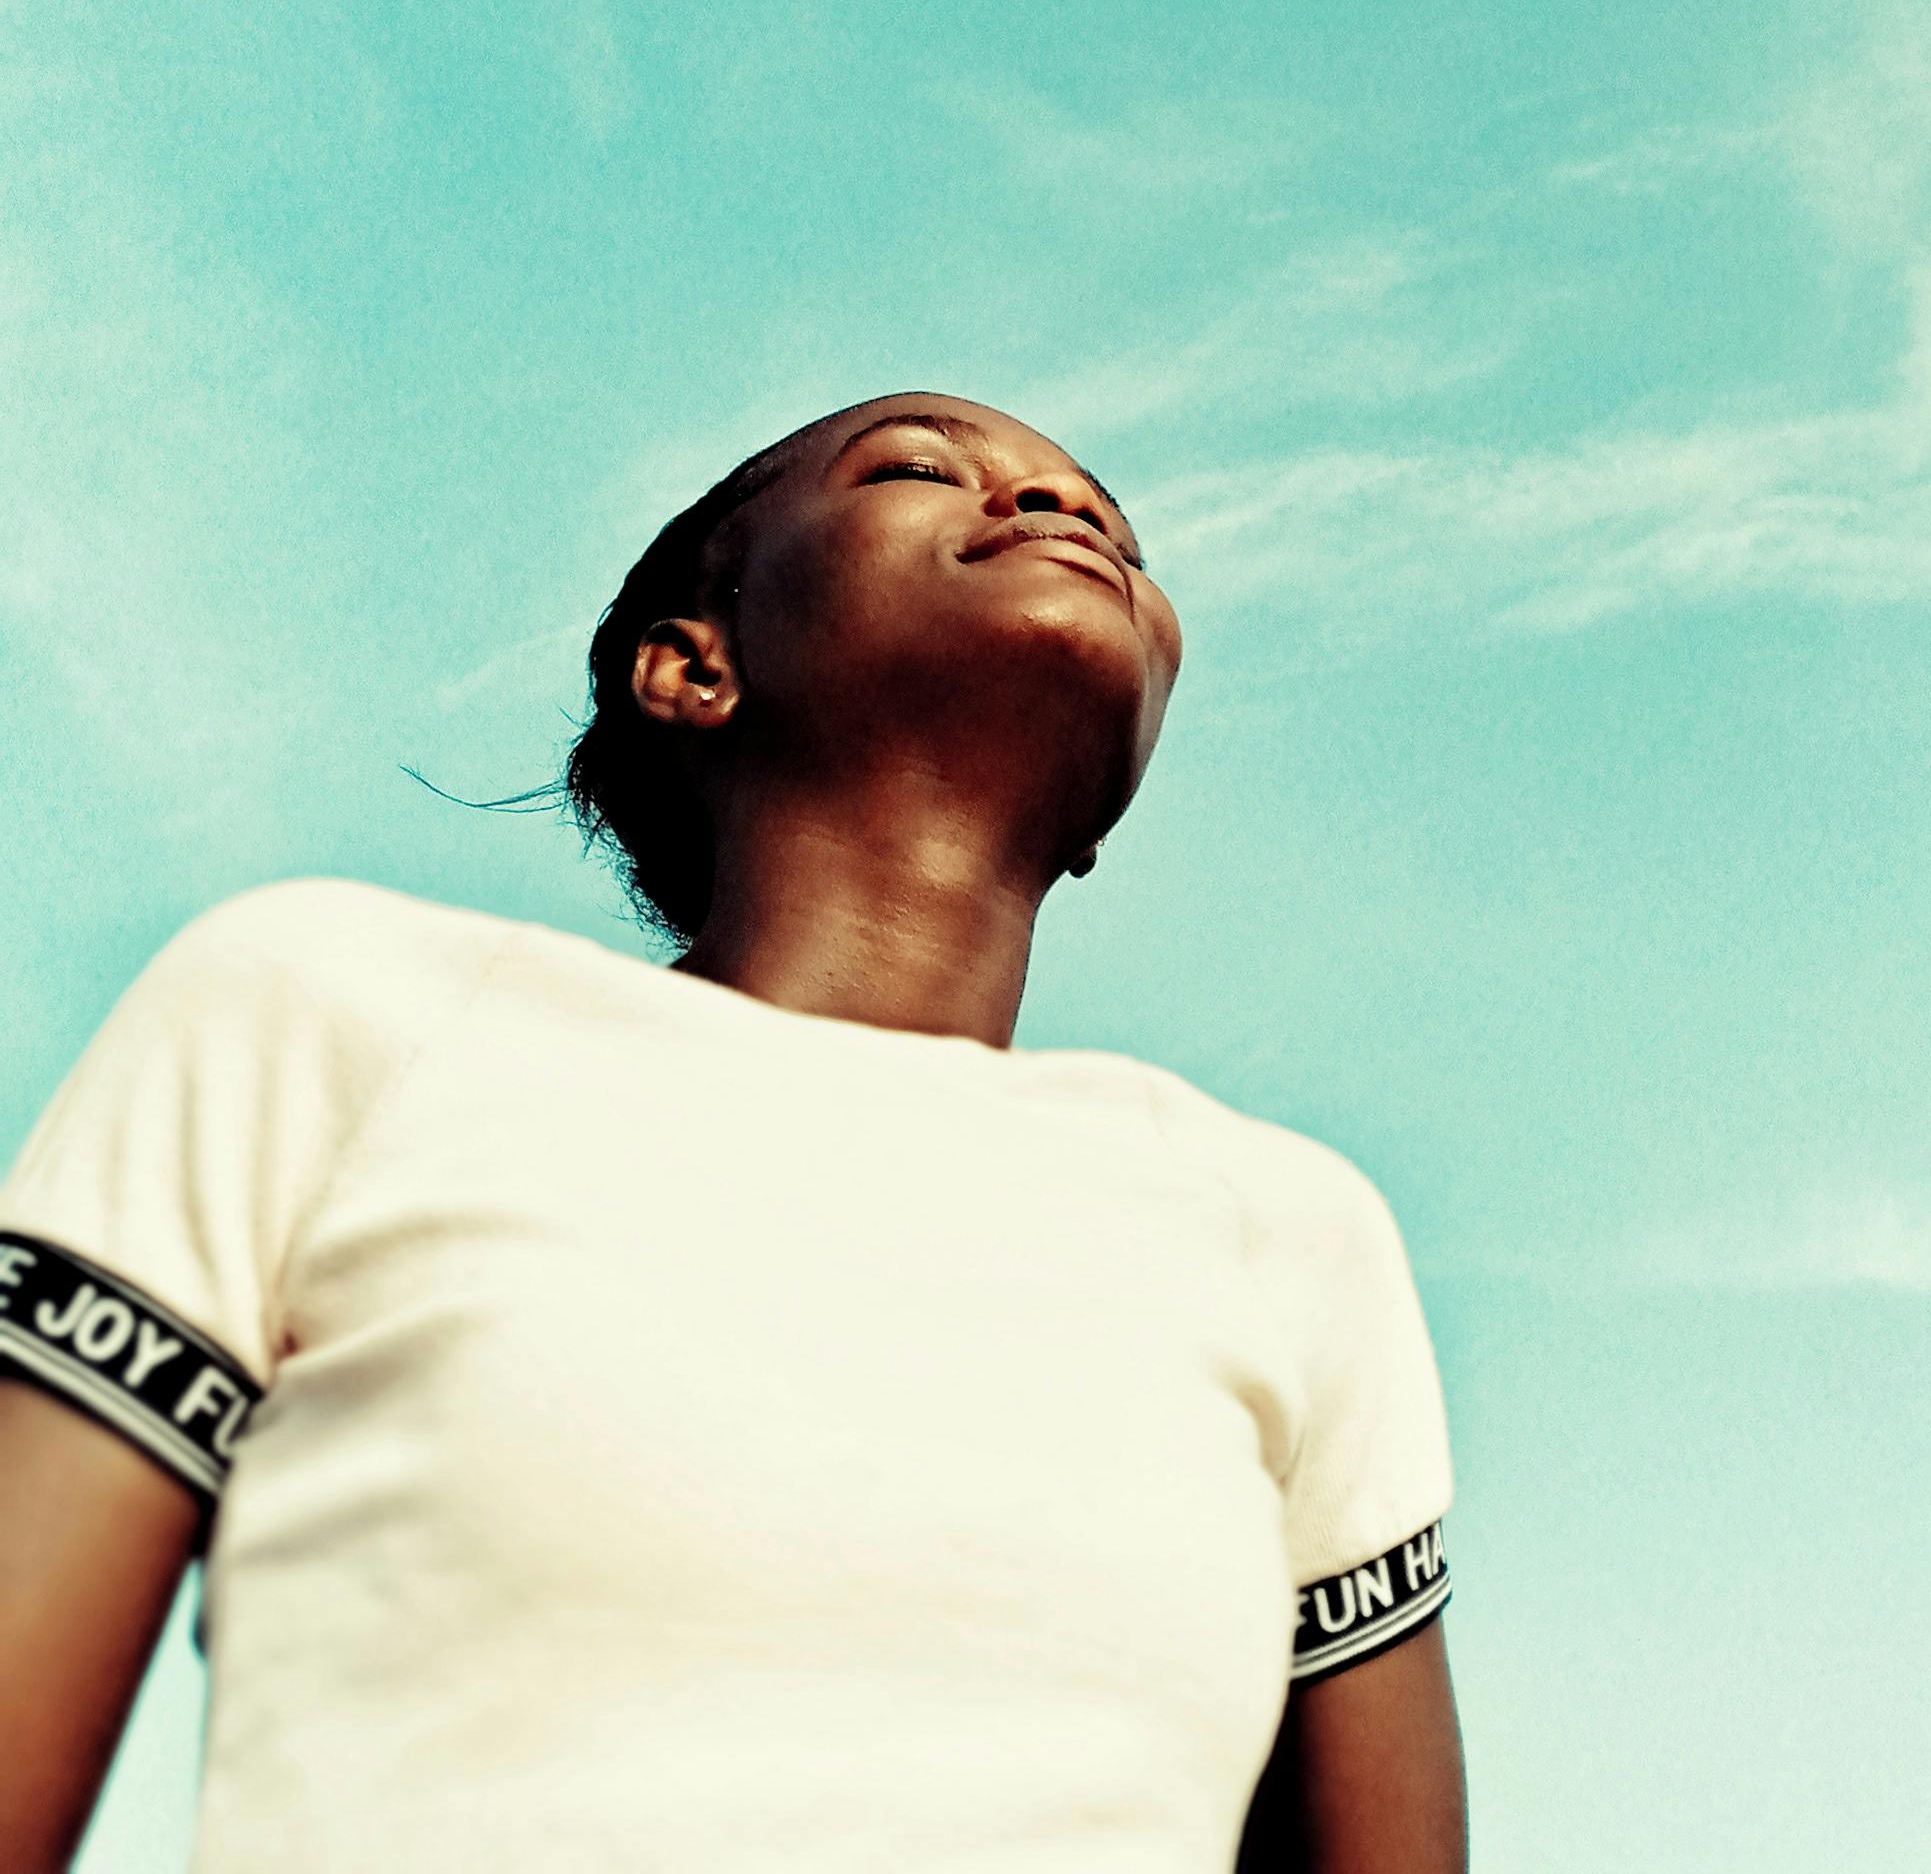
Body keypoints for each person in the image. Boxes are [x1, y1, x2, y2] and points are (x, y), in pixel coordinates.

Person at [0, 394, 1466, 1872]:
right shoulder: (331, 1013)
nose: (1057, 511)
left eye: (1114, 527)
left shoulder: (1287, 1228)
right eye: (916, 466)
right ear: (693, 667)